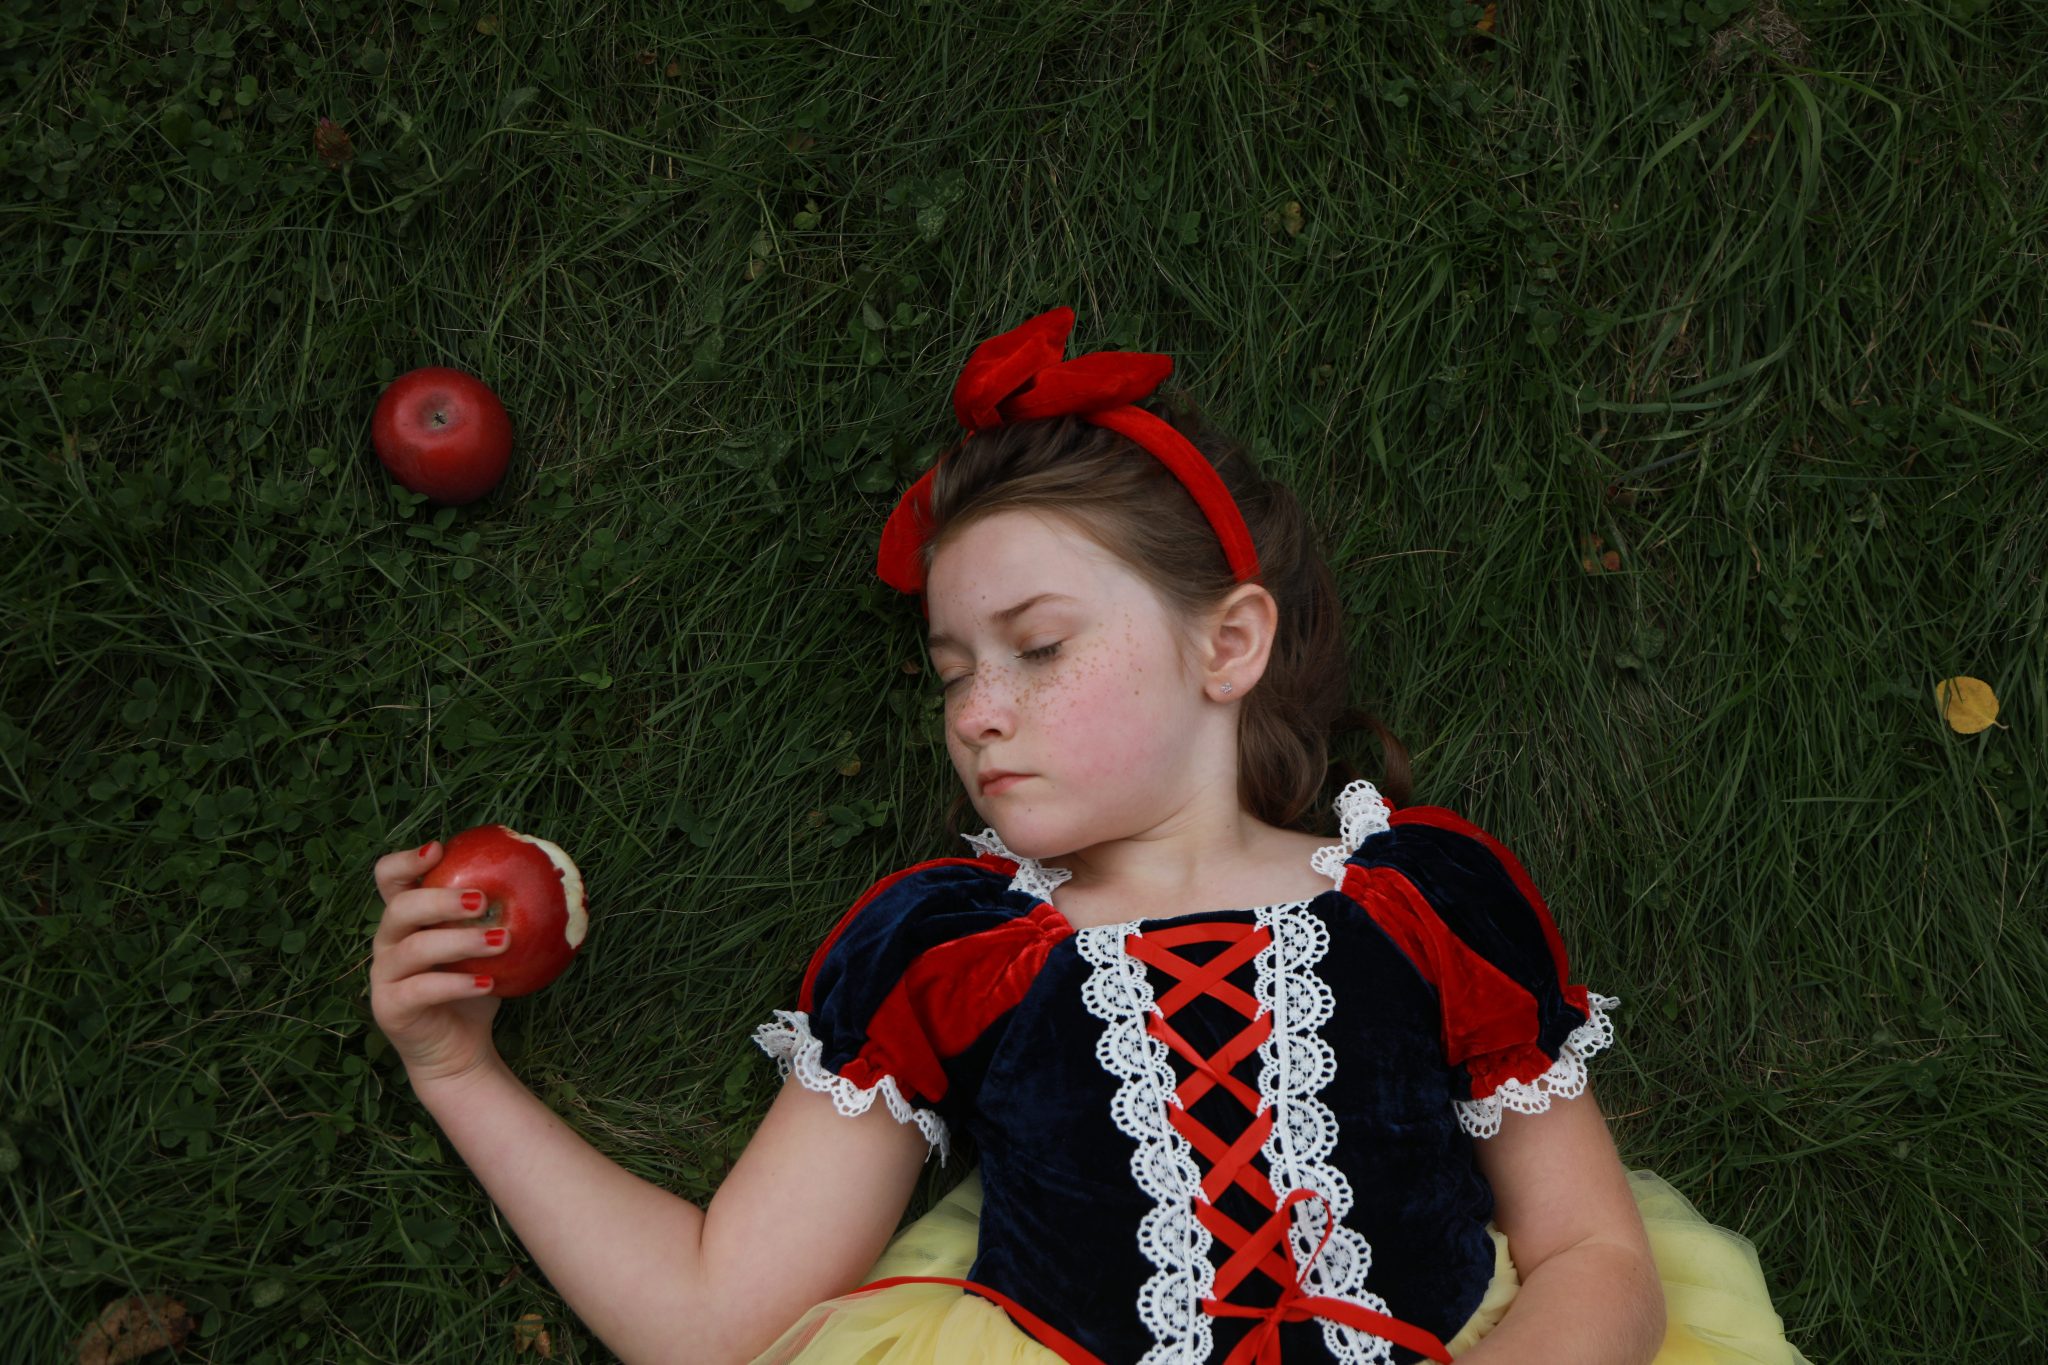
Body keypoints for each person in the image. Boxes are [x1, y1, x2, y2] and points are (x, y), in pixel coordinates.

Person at [369, 307, 1816, 1364]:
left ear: (1228, 643)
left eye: (1039, 646)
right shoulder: (945, 944)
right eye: (950, 672)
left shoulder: (1425, 897)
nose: (978, 713)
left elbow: (1594, 1252)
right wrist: (455, 1067)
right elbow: (709, 1318)